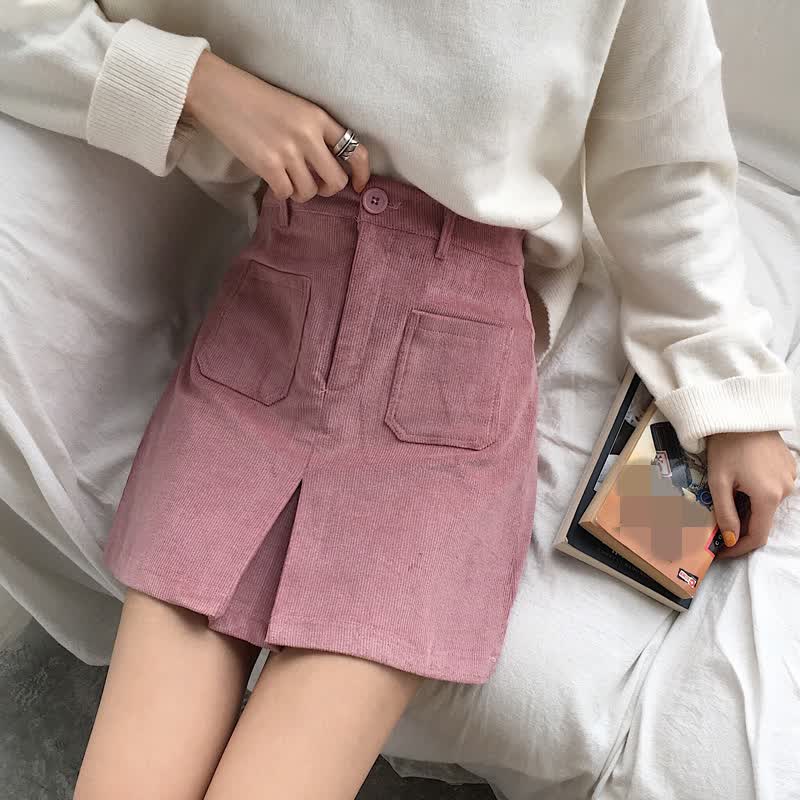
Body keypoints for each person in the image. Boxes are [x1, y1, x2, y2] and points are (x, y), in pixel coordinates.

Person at [1, 1, 797, 798]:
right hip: (266, 333)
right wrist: (198, 86)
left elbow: (666, 171)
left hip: (450, 382)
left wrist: (728, 390)